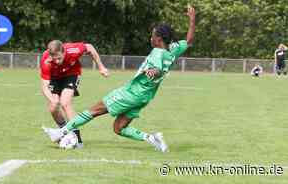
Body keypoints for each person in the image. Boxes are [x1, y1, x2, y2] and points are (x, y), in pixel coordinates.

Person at [42, 6, 196, 152]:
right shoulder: (173, 49)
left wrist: (154, 71)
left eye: (153, 35)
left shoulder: (157, 52)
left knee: (94, 110)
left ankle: (62, 132)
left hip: (131, 93)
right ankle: (152, 138)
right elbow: (188, 41)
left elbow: (157, 68)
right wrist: (192, 20)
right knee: (119, 128)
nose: (151, 38)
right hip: (144, 97)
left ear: (159, 39)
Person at [40, 40, 109, 148]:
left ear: (64, 52)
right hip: (54, 78)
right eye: (54, 59)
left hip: (71, 74)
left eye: (59, 58)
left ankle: (77, 138)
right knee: (53, 107)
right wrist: (53, 100)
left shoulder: (73, 50)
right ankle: (64, 132)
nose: (57, 61)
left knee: (65, 103)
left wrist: (100, 66)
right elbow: (44, 87)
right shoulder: (46, 61)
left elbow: (89, 47)